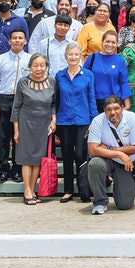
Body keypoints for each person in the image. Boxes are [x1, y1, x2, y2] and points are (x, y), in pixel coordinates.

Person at [86, 95, 135, 215]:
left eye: (116, 108)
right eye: (109, 109)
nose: (113, 112)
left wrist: (112, 149)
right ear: (104, 111)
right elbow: (92, 150)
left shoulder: (133, 119)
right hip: (106, 159)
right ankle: (100, 202)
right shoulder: (98, 120)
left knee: (125, 205)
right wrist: (119, 154)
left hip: (126, 164)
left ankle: (117, 184)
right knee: (95, 163)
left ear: (123, 108)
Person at [13, 53, 57, 205]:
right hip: (26, 123)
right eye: (35, 65)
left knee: (38, 159)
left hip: (43, 125)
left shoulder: (52, 81)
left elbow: (53, 104)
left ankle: (33, 189)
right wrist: (16, 130)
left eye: (42, 65)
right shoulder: (23, 82)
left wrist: (54, 120)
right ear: (30, 66)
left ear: (46, 66)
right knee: (26, 159)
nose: (39, 68)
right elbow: (16, 107)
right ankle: (26, 190)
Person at [55, 43, 96, 203]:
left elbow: (91, 98)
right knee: (66, 156)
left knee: (80, 155)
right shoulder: (59, 75)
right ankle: (68, 190)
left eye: (76, 54)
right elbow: (56, 99)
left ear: (80, 56)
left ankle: (83, 189)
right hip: (64, 120)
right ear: (66, 57)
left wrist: (93, 119)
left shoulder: (88, 75)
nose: (73, 57)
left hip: (82, 120)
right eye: (70, 54)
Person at [0, 28, 31, 183]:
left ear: (25, 41)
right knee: (3, 136)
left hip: (24, 102)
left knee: (20, 137)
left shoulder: (30, 59)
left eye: (21, 38)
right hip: (4, 100)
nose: (18, 41)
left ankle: (17, 169)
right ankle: (3, 169)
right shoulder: (0, 59)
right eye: (15, 38)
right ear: (9, 41)